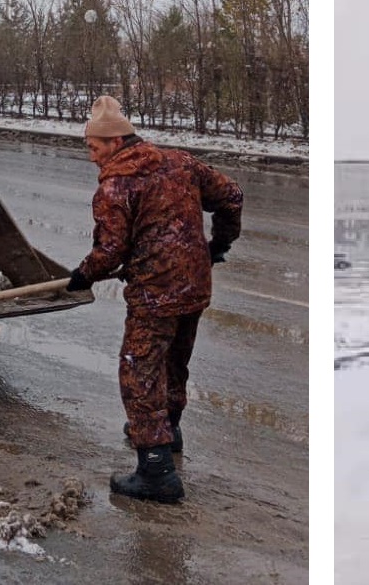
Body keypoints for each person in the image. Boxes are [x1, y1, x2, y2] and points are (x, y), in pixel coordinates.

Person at [64, 95, 242, 503]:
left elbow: (110, 252)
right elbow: (232, 196)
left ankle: (156, 472)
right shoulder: (181, 162)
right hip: (195, 286)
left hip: (154, 294)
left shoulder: (116, 185)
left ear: (115, 142)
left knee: (139, 372)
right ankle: (169, 430)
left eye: (93, 148)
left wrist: (83, 275)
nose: (91, 157)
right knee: (174, 361)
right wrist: (217, 245)